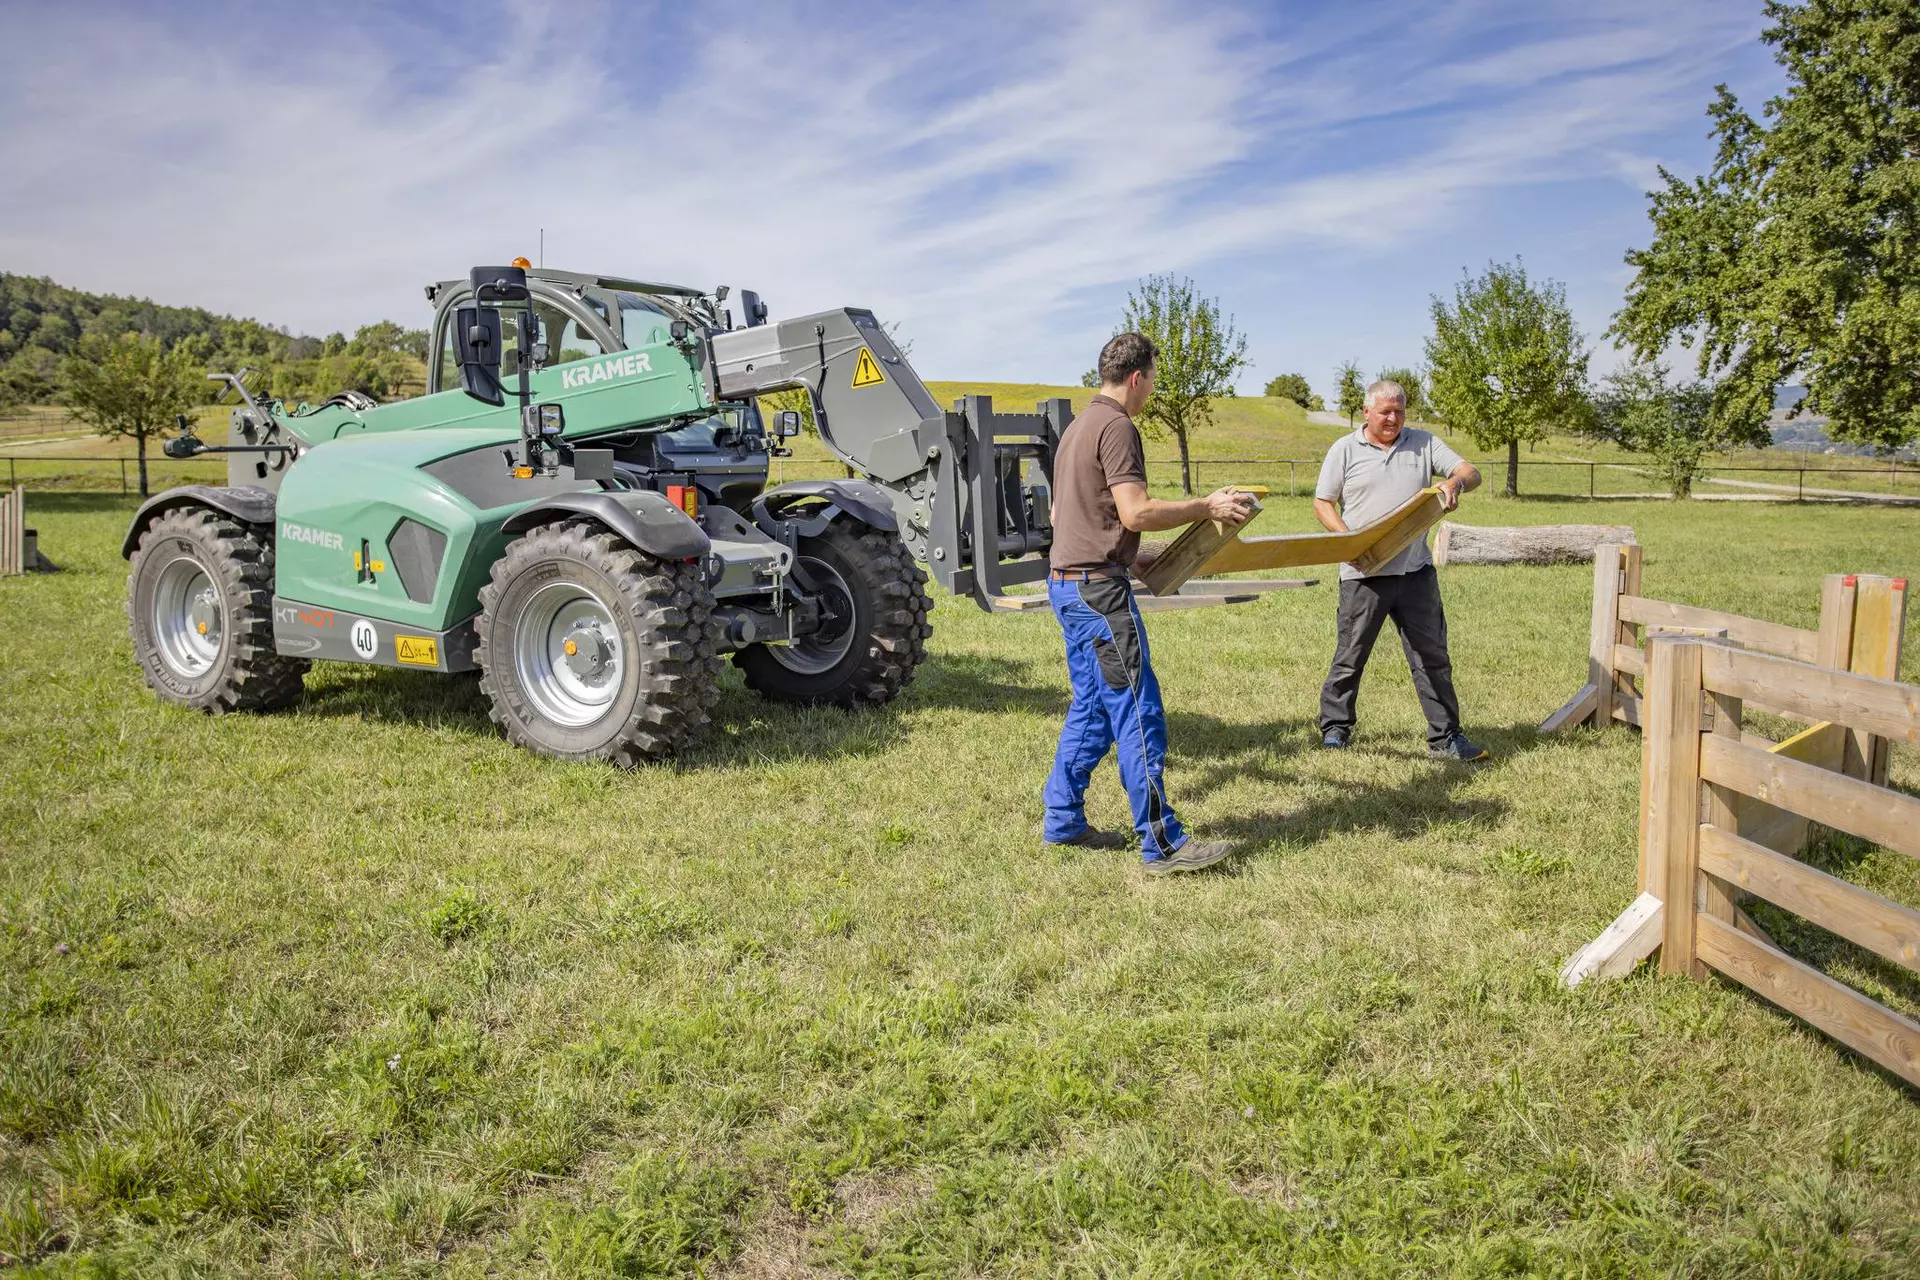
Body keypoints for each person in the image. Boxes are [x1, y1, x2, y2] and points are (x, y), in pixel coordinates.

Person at [1041, 332, 1257, 873]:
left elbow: (1069, 516)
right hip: (1097, 595)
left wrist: (1128, 557)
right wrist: (1206, 505)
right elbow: (1134, 511)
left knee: (1092, 707)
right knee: (1138, 707)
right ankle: (1161, 842)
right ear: (1136, 377)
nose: (1153, 391)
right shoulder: (1117, 426)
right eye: (1154, 380)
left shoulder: (1076, 428)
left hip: (1069, 584)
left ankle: (1063, 818)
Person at [1313, 378, 1489, 760]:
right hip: (1364, 574)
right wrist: (1349, 542)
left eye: (1400, 411)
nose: (1393, 419)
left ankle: (1446, 738)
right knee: (1351, 654)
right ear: (1366, 413)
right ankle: (1335, 729)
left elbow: (1471, 472)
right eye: (1385, 412)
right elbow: (1323, 502)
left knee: (1432, 656)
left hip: (1415, 573)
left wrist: (1455, 482)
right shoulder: (1344, 449)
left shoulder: (1424, 443)